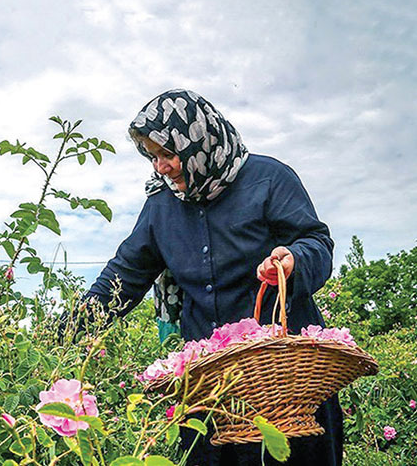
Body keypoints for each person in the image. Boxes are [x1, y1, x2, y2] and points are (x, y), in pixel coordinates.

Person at [82, 89, 343, 466]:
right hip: (209, 388)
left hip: (285, 382)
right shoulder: (161, 206)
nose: (160, 167)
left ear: (197, 142)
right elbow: (124, 276)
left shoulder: (268, 179)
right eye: (152, 157)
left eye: (167, 154)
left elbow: (316, 242)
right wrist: (68, 332)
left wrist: (293, 259)